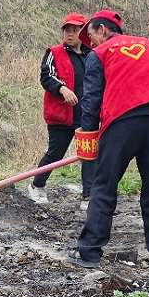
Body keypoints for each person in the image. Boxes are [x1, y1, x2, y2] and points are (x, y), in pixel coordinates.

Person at [67, 9, 149, 276]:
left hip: (121, 122)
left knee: (104, 187)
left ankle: (89, 252)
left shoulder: (101, 53)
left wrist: (87, 134)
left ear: (102, 30)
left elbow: (92, 98)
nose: (90, 44)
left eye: (91, 37)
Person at [28, 12, 94, 207]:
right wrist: (62, 89)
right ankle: (37, 186)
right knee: (55, 153)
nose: (70, 34)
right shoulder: (54, 53)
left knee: (89, 156)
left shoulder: (92, 55)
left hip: (86, 115)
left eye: (75, 30)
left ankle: (88, 196)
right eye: (67, 30)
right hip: (62, 115)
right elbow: (46, 76)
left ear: (84, 33)